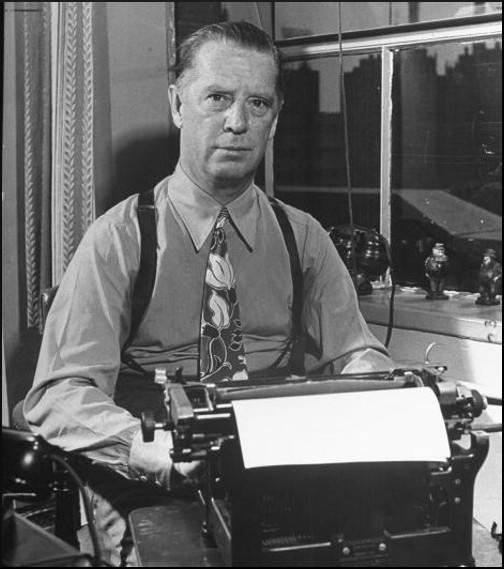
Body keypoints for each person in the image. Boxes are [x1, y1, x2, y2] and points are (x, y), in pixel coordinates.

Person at [24, 21, 393, 566]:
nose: (237, 122)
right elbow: (58, 393)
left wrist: (384, 394)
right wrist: (141, 447)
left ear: (275, 118)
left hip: (273, 465)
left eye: (258, 104)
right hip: (153, 469)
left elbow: (356, 353)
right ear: (177, 105)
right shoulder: (120, 238)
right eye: (217, 98)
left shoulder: (304, 237)